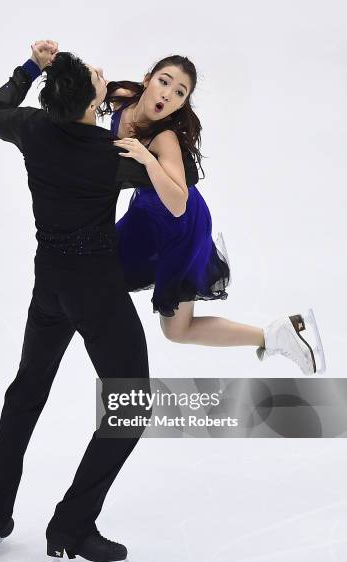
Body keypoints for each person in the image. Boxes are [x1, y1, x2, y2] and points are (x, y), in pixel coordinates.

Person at [0, 41, 197, 562]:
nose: (104, 79)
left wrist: (35, 68)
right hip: (94, 290)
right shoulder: (109, 157)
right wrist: (147, 154)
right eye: (97, 82)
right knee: (134, 403)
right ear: (87, 104)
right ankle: (73, 525)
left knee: (27, 389)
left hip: (48, 282)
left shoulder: (33, 128)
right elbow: (177, 198)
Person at [100, 55, 326, 375]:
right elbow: (88, 91)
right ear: (148, 79)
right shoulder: (124, 97)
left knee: (177, 330)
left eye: (180, 92)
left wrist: (148, 161)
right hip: (145, 215)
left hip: (179, 227)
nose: (167, 94)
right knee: (102, 270)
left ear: (182, 104)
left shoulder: (164, 139)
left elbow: (178, 203)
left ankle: (274, 336)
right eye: (164, 82)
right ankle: (276, 335)